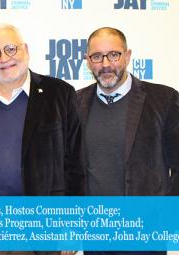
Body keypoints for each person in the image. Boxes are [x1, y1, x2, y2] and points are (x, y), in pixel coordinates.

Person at [0, 23, 84, 255]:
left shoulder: (59, 93)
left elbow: (76, 163)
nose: (4, 59)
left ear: (25, 50)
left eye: (11, 49)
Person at [78, 27, 179, 255]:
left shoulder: (163, 100)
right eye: (97, 56)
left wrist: (167, 220)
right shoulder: (75, 103)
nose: (105, 64)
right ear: (87, 60)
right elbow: (68, 169)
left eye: (114, 54)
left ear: (127, 55)